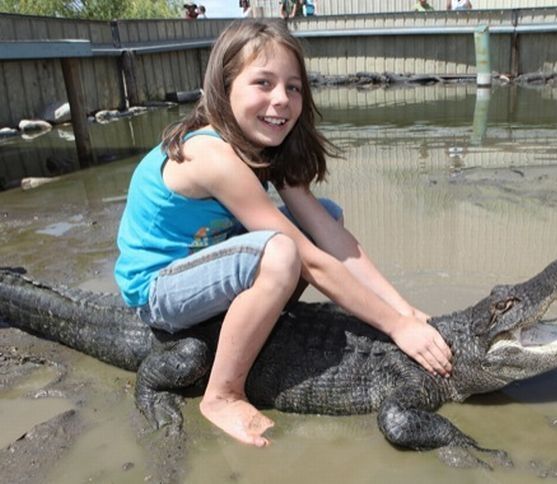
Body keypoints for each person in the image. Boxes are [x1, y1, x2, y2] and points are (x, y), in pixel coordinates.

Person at [114, 20, 452, 447]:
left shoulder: (263, 147)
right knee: (282, 253)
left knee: (325, 214)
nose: (281, 100)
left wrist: (405, 312)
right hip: (159, 289)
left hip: (206, 265)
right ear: (224, 86)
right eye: (263, 83)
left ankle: (254, 319)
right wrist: (395, 328)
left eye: (293, 87)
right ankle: (222, 395)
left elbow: (331, 238)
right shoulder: (211, 154)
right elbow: (307, 259)